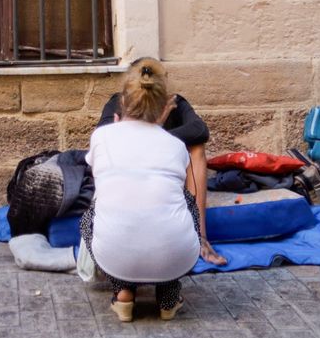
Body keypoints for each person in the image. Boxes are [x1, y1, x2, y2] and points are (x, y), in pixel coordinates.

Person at [82, 58, 204, 321]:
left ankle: (123, 292)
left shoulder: (102, 136)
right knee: (185, 202)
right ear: (163, 108)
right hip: (177, 256)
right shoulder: (174, 145)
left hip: (114, 255)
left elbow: (100, 184)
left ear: (122, 102)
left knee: (93, 212)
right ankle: (169, 298)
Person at [96, 67, 227, 266]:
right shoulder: (119, 102)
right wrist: (154, 131)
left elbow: (199, 130)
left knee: (197, 148)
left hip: (166, 185)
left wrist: (153, 137)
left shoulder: (175, 102)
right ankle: (167, 293)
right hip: (131, 184)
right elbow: (108, 140)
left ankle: (200, 236)